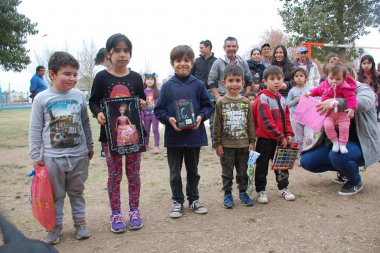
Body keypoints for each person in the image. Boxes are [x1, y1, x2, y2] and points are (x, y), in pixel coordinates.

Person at [29, 52, 94, 244]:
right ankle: (55, 226)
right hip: (52, 158)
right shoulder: (41, 98)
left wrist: (89, 145)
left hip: (78, 155)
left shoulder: (79, 96)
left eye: (75, 74)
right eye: (67, 74)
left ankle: (80, 222)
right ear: (52, 74)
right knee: (56, 195)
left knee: (76, 192)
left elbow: (85, 123)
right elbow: (35, 129)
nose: (72, 78)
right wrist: (35, 155)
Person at [89, 33, 147, 233]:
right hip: (111, 138)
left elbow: (141, 99)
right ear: (108, 53)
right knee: (114, 176)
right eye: (118, 51)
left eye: (126, 51)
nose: (123, 55)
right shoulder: (101, 77)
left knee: (134, 174)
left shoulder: (135, 77)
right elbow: (93, 101)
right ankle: (115, 214)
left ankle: (134, 211)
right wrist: (98, 114)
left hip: (132, 137)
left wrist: (142, 103)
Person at [300, 64, 380, 196]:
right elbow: (318, 94)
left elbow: (364, 103)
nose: (336, 81)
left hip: (361, 143)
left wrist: (335, 102)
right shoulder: (329, 89)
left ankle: (355, 181)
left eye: (341, 77)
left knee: (337, 155)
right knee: (307, 161)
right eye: (333, 77)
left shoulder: (363, 89)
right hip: (335, 140)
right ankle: (344, 170)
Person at [154, 45, 213, 218]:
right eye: (178, 61)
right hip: (174, 137)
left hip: (194, 137)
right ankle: (177, 202)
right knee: (174, 172)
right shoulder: (166, 87)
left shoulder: (199, 85)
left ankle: (194, 199)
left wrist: (200, 117)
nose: (182, 64)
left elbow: (207, 107)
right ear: (172, 63)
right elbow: (159, 110)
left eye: (186, 60)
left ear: (192, 62)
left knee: (193, 171)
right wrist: (168, 119)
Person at [213, 65, 256, 208]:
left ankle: (243, 192)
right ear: (224, 83)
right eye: (230, 80)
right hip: (226, 146)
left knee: (243, 171)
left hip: (244, 145)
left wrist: (252, 141)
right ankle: (227, 194)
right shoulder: (221, 102)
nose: (234, 84)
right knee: (227, 172)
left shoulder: (245, 102)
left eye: (238, 80)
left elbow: (250, 123)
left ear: (243, 83)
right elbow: (217, 124)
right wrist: (217, 144)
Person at [252, 65, 295, 204]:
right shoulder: (263, 99)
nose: (276, 82)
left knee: (282, 165)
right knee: (262, 166)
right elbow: (266, 122)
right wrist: (280, 136)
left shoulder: (282, 100)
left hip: (281, 140)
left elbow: (287, 119)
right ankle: (260, 191)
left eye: (279, 78)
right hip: (265, 140)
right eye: (272, 79)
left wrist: (288, 134)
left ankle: (283, 188)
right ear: (265, 81)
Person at [208, 37, 253, 147]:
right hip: (224, 97)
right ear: (224, 48)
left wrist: (246, 96)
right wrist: (218, 96)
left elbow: (248, 79)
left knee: (241, 123)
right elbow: (211, 80)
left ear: (237, 47)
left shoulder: (243, 63)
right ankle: (218, 144)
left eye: (233, 46)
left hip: (240, 97)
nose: (231, 48)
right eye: (229, 46)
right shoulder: (218, 63)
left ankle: (242, 144)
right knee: (220, 123)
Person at [305, 63, 357, 154]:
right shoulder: (324, 85)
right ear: (327, 76)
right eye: (331, 78)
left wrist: (352, 108)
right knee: (327, 126)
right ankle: (335, 141)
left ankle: (343, 144)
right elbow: (317, 90)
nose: (334, 81)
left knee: (344, 127)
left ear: (344, 78)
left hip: (342, 113)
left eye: (338, 79)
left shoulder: (345, 88)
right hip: (329, 113)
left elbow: (351, 98)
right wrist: (310, 93)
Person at [190, 40, 217, 148]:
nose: (199, 50)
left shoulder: (216, 61)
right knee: (196, 116)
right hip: (197, 93)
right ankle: (196, 141)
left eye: (201, 48)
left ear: (208, 47)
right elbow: (190, 76)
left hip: (212, 93)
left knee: (213, 120)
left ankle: (214, 142)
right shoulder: (195, 62)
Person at [286, 67, 314, 163]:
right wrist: (295, 100)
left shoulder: (311, 89)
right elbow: (287, 104)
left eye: (301, 76)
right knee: (298, 139)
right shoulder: (292, 91)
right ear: (293, 78)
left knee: (309, 137)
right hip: (296, 117)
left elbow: (317, 101)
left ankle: (310, 156)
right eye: (296, 76)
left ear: (305, 77)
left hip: (308, 117)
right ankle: (300, 157)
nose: (299, 78)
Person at [92, 48, 111, 159]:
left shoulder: (100, 69)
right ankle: (105, 149)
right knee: (105, 126)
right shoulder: (100, 71)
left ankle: (105, 149)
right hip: (103, 103)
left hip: (102, 103)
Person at [357, 55, 380, 120]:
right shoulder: (357, 75)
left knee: (372, 119)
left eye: (368, 63)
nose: (366, 65)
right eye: (364, 63)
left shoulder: (377, 75)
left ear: (372, 64)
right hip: (361, 100)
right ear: (361, 64)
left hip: (373, 100)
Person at [143, 73, 160, 153]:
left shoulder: (157, 91)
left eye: (151, 79)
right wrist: (141, 114)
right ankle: (146, 144)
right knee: (146, 130)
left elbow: (159, 103)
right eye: (148, 79)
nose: (150, 81)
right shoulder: (142, 91)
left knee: (155, 129)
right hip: (146, 114)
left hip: (154, 114)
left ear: (154, 81)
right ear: (145, 81)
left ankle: (156, 146)